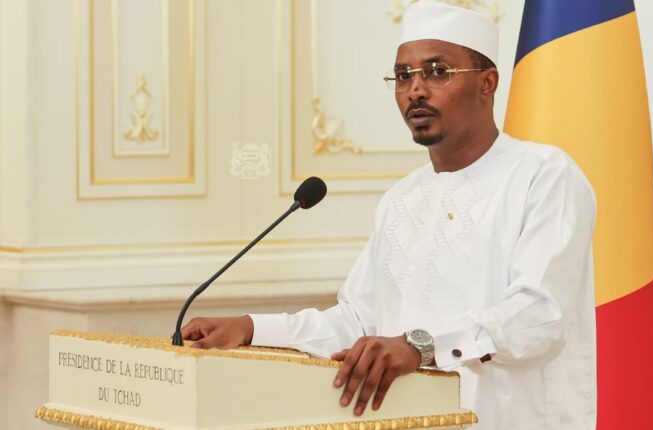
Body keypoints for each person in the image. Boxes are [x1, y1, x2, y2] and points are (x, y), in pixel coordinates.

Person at [182, 1, 597, 428]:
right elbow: (358, 322)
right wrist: (252, 328)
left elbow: (539, 317)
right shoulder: (402, 199)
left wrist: (421, 346)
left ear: (487, 82)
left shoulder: (544, 176)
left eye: (437, 71)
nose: (416, 90)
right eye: (403, 76)